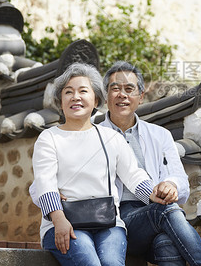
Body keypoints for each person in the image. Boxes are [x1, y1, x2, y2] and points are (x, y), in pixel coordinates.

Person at [31, 62, 168, 266]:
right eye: (68, 92)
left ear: (96, 99)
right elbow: (45, 182)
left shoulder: (110, 137)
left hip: (109, 224)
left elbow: (133, 175)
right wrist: (58, 220)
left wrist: (152, 194)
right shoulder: (49, 137)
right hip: (64, 222)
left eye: (83, 91)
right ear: (60, 102)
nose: (75, 97)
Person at [100, 61, 201, 266]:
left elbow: (180, 180)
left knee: (166, 243)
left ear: (141, 96)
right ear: (106, 95)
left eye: (129, 89)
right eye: (115, 88)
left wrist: (170, 186)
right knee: (166, 210)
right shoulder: (94, 134)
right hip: (115, 219)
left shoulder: (160, 135)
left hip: (154, 218)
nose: (122, 95)